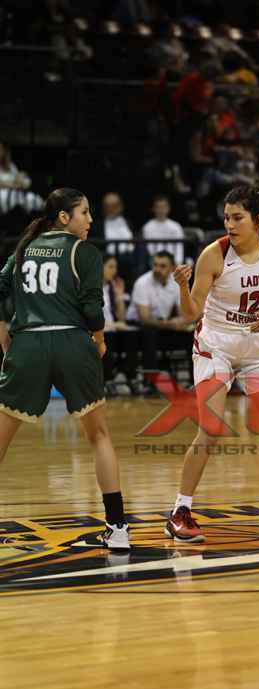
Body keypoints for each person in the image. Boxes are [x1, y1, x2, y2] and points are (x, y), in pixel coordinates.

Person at [165, 185, 259, 542]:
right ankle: (179, 511)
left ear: (257, 220)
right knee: (211, 429)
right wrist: (183, 287)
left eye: (237, 218)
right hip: (216, 344)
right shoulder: (213, 255)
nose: (229, 224)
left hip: (257, 341)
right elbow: (191, 313)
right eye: (226, 218)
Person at [0, 188, 129, 549]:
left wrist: (3, 334)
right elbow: (92, 309)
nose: (90, 219)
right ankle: (118, 528)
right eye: (84, 212)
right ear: (63, 217)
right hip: (73, 342)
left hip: (28, 344)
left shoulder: (25, 247)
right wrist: (99, 340)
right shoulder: (83, 251)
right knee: (99, 435)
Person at [127, 250, 193, 382]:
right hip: (138, 326)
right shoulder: (142, 283)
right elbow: (145, 318)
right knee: (150, 334)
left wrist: (180, 322)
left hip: (163, 325)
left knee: (192, 334)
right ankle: (150, 381)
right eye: (155, 265)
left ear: (172, 268)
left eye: (162, 266)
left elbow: (183, 313)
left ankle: (194, 380)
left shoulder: (176, 283)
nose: (157, 269)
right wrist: (170, 324)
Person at [102, 255, 140, 396]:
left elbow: (122, 317)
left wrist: (119, 296)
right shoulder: (89, 287)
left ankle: (131, 377)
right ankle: (108, 379)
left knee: (131, 334)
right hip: (97, 330)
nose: (114, 271)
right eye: (110, 267)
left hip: (112, 328)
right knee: (108, 337)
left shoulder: (111, 288)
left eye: (115, 267)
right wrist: (114, 325)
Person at [142, 195, 185, 265]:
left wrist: (177, 263)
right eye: (158, 207)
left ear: (168, 208)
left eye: (163, 207)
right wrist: (157, 263)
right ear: (153, 209)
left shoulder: (176, 226)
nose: (161, 210)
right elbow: (150, 249)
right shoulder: (148, 227)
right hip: (156, 263)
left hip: (174, 263)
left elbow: (179, 248)